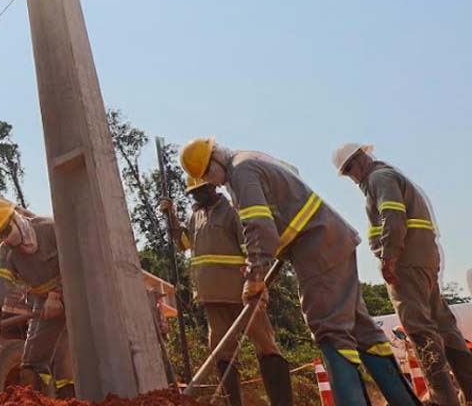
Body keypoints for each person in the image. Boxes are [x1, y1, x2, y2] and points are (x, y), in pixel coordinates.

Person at [180, 137, 419, 406]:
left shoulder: (241, 173)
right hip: (329, 241)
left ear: (215, 160)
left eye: (208, 175)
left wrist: (255, 276)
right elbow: (290, 176)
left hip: (317, 248)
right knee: (363, 332)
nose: (213, 183)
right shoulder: (252, 159)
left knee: (329, 330)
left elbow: (259, 225)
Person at [334, 142, 472, 404]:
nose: (352, 177)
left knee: (418, 326)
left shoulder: (378, 178)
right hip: (423, 258)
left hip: (405, 261)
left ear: (361, 160)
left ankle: (443, 397)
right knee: (443, 324)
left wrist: (389, 258)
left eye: (350, 169)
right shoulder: (388, 176)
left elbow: (393, 216)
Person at [162, 178, 293, 405]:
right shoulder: (196, 216)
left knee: (265, 345)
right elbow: (184, 243)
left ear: (212, 187)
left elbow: (251, 251)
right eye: (193, 194)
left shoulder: (233, 212)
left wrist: (257, 282)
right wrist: (171, 216)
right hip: (210, 295)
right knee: (222, 353)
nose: (197, 197)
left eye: (200, 191)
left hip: (242, 294)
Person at [0, 199, 73, 397]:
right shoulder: (7, 253)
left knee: (71, 359)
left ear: (16, 218)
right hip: (43, 302)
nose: (6, 239)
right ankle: (41, 399)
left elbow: (75, 260)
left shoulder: (50, 229)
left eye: (7, 231)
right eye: (0, 236)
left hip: (76, 293)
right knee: (32, 365)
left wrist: (57, 294)